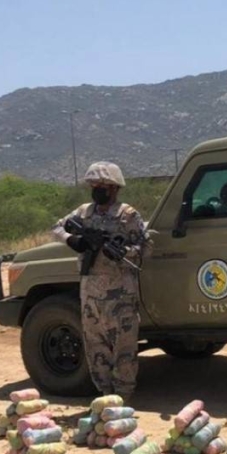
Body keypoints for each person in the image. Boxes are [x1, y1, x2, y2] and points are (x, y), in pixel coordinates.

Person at [51, 161, 151, 399]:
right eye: (94, 185)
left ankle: (123, 395)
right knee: (95, 345)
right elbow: (57, 228)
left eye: (102, 186)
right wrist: (74, 240)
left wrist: (124, 252)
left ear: (114, 188)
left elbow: (146, 247)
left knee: (124, 347)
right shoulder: (83, 213)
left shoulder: (128, 215)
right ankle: (105, 395)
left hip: (121, 293)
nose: (97, 190)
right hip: (91, 293)